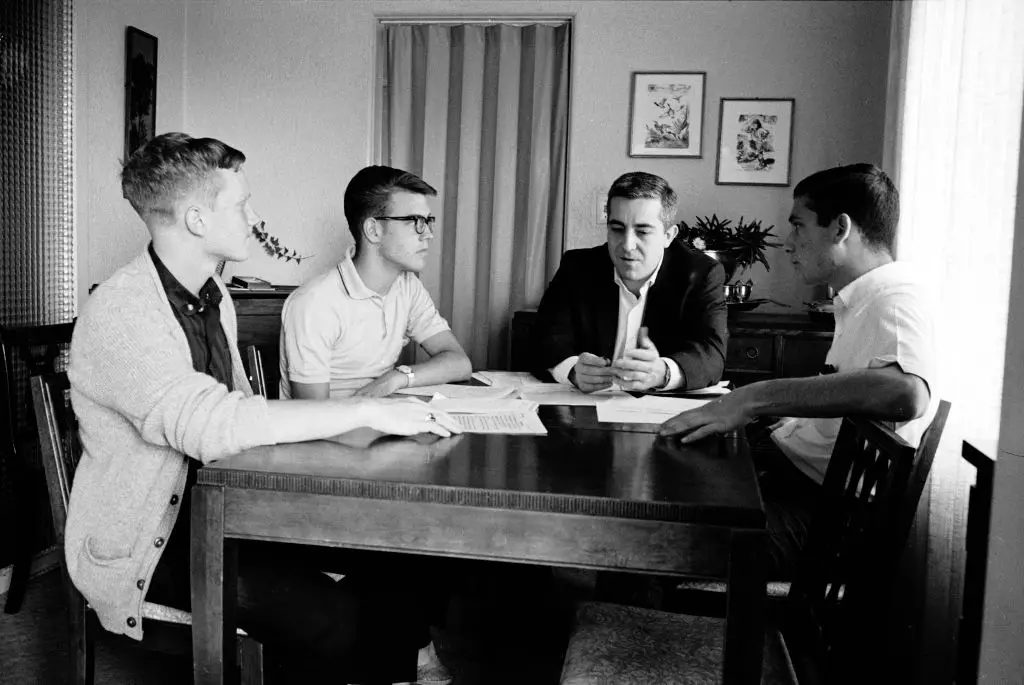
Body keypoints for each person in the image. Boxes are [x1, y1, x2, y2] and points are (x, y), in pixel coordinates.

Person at [65, 133, 458, 684]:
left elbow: (244, 412)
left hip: (225, 506)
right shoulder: (120, 313)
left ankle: (387, 670)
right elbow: (210, 424)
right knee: (329, 615)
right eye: (241, 203)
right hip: (152, 541)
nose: (254, 216)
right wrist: (368, 410)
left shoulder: (214, 297)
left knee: (402, 547)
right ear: (198, 220)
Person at [660, 163, 938, 578]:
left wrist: (754, 398)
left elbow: (907, 393)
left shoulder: (893, 299)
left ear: (840, 228)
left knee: (654, 532)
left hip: (825, 517)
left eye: (798, 226)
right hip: (805, 487)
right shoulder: (863, 300)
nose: (789, 244)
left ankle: (638, 635)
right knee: (671, 471)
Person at [279, 166, 471, 400]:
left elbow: (459, 362)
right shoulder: (315, 303)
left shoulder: (407, 287)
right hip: (332, 431)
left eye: (428, 221)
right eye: (415, 221)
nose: (428, 234)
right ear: (373, 230)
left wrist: (397, 378)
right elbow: (313, 416)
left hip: (382, 421)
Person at [529, 171, 727, 392]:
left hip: (661, 414)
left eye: (642, 231)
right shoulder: (577, 267)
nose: (627, 244)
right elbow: (542, 340)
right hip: (586, 409)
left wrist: (663, 372)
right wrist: (572, 370)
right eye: (617, 229)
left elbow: (712, 355)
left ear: (668, 236)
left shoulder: (701, 274)